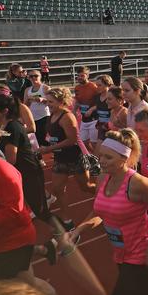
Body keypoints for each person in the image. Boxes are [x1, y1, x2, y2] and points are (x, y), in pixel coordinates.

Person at [70, 130, 148, 295]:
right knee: (146, 290)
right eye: (101, 156)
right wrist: (78, 231)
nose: (102, 161)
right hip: (120, 249)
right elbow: (98, 212)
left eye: (108, 157)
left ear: (124, 158)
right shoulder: (102, 178)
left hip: (140, 249)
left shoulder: (138, 184)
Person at [0, 157, 77, 295]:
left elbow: (14, 211)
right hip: (3, 241)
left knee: (24, 288)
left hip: (11, 241)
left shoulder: (0, 169)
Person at [42, 87, 95, 230]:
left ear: (61, 101)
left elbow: (72, 140)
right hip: (60, 158)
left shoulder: (67, 117)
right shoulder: (51, 115)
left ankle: (104, 198)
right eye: (47, 101)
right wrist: (49, 143)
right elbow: (54, 136)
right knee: (58, 189)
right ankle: (67, 220)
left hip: (74, 158)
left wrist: (48, 149)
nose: (48, 104)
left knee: (86, 186)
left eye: (51, 101)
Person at [0, 95, 50, 223]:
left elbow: (11, 160)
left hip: (28, 172)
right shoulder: (2, 126)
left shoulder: (12, 127)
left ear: (5, 111)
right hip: (19, 173)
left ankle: (66, 233)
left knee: (41, 211)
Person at [73, 66, 99, 152]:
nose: (80, 78)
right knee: (83, 141)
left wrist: (91, 110)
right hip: (84, 118)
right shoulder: (77, 88)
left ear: (87, 76)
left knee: (95, 142)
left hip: (95, 118)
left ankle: (99, 159)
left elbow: (101, 102)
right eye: (78, 76)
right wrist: (74, 110)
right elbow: (77, 100)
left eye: (82, 76)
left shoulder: (93, 87)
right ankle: (95, 157)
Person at [23, 69, 51, 147]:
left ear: (40, 76)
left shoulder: (45, 88)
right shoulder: (27, 90)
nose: (33, 78)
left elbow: (53, 101)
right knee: (36, 139)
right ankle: (40, 156)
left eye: (36, 76)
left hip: (44, 116)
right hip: (33, 117)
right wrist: (29, 100)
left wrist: (42, 100)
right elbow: (25, 105)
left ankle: (53, 150)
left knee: (42, 138)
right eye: (31, 76)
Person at [93, 75, 113, 147]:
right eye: (96, 85)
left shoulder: (112, 97)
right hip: (101, 126)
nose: (97, 87)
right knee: (99, 149)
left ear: (107, 84)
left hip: (111, 128)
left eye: (99, 85)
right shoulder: (97, 96)